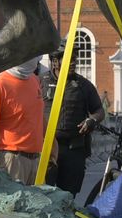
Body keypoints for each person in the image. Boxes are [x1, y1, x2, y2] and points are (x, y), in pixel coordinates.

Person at [41, 57, 105, 198]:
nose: (73, 63)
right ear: (55, 61)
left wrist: (92, 120)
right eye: (69, 59)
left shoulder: (84, 85)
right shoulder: (41, 82)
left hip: (73, 149)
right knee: (43, 195)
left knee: (68, 197)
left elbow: (99, 110)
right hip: (47, 148)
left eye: (74, 59)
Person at [0, 59, 45, 185]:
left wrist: (52, 146)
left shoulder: (34, 80)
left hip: (36, 160)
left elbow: (38, 115)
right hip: (11, 160)